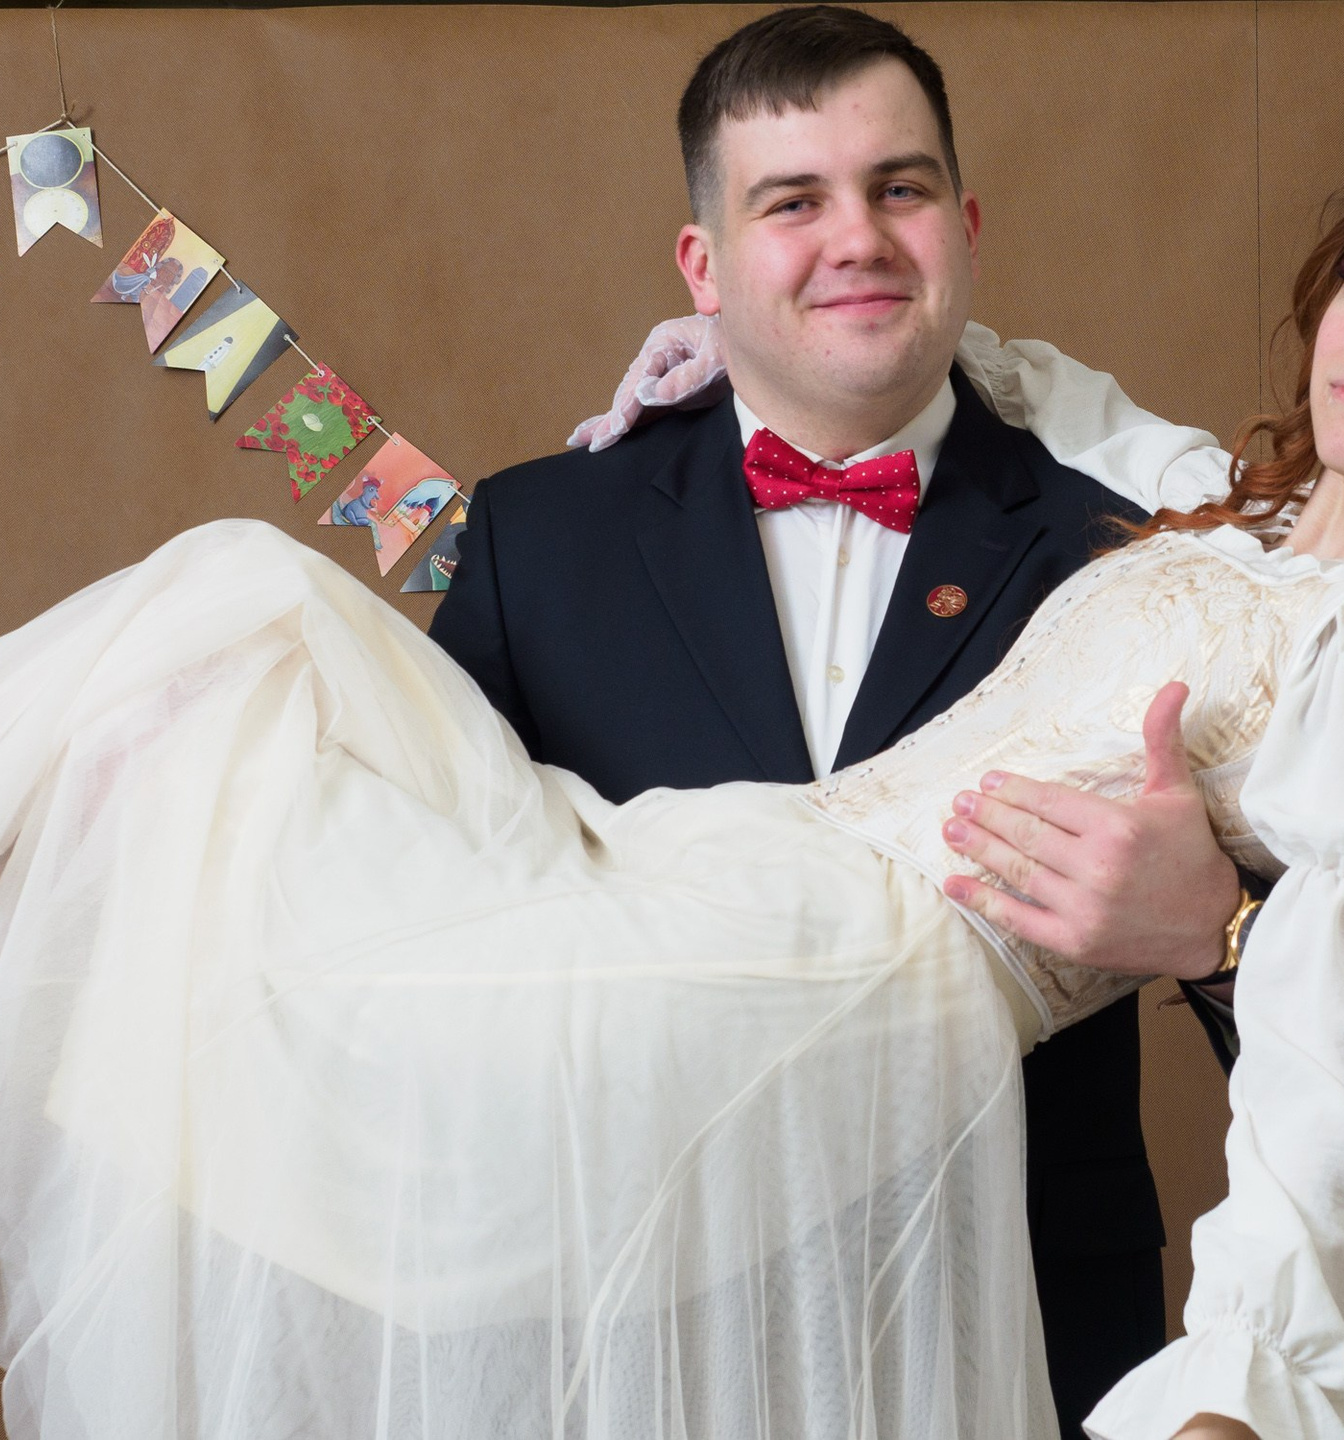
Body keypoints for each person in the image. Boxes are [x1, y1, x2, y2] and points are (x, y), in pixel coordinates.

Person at [0, 127, 1344, 1440]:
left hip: (817, 1001)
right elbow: (1039, 386)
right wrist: (760, 331)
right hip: (712, 876)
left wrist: (1236, 1399)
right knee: (147, 740)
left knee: (220, 633)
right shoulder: (1229, 514)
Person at [426, 12, 1252, 1434]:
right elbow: (426, 956)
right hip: (636, 1335)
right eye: (792, 201)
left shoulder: (1137, 555)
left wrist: (1218, 938)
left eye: (899, 187)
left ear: (966, 230)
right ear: (704, 266)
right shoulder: (534, 541)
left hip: (1029, 1324)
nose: (856, 238)